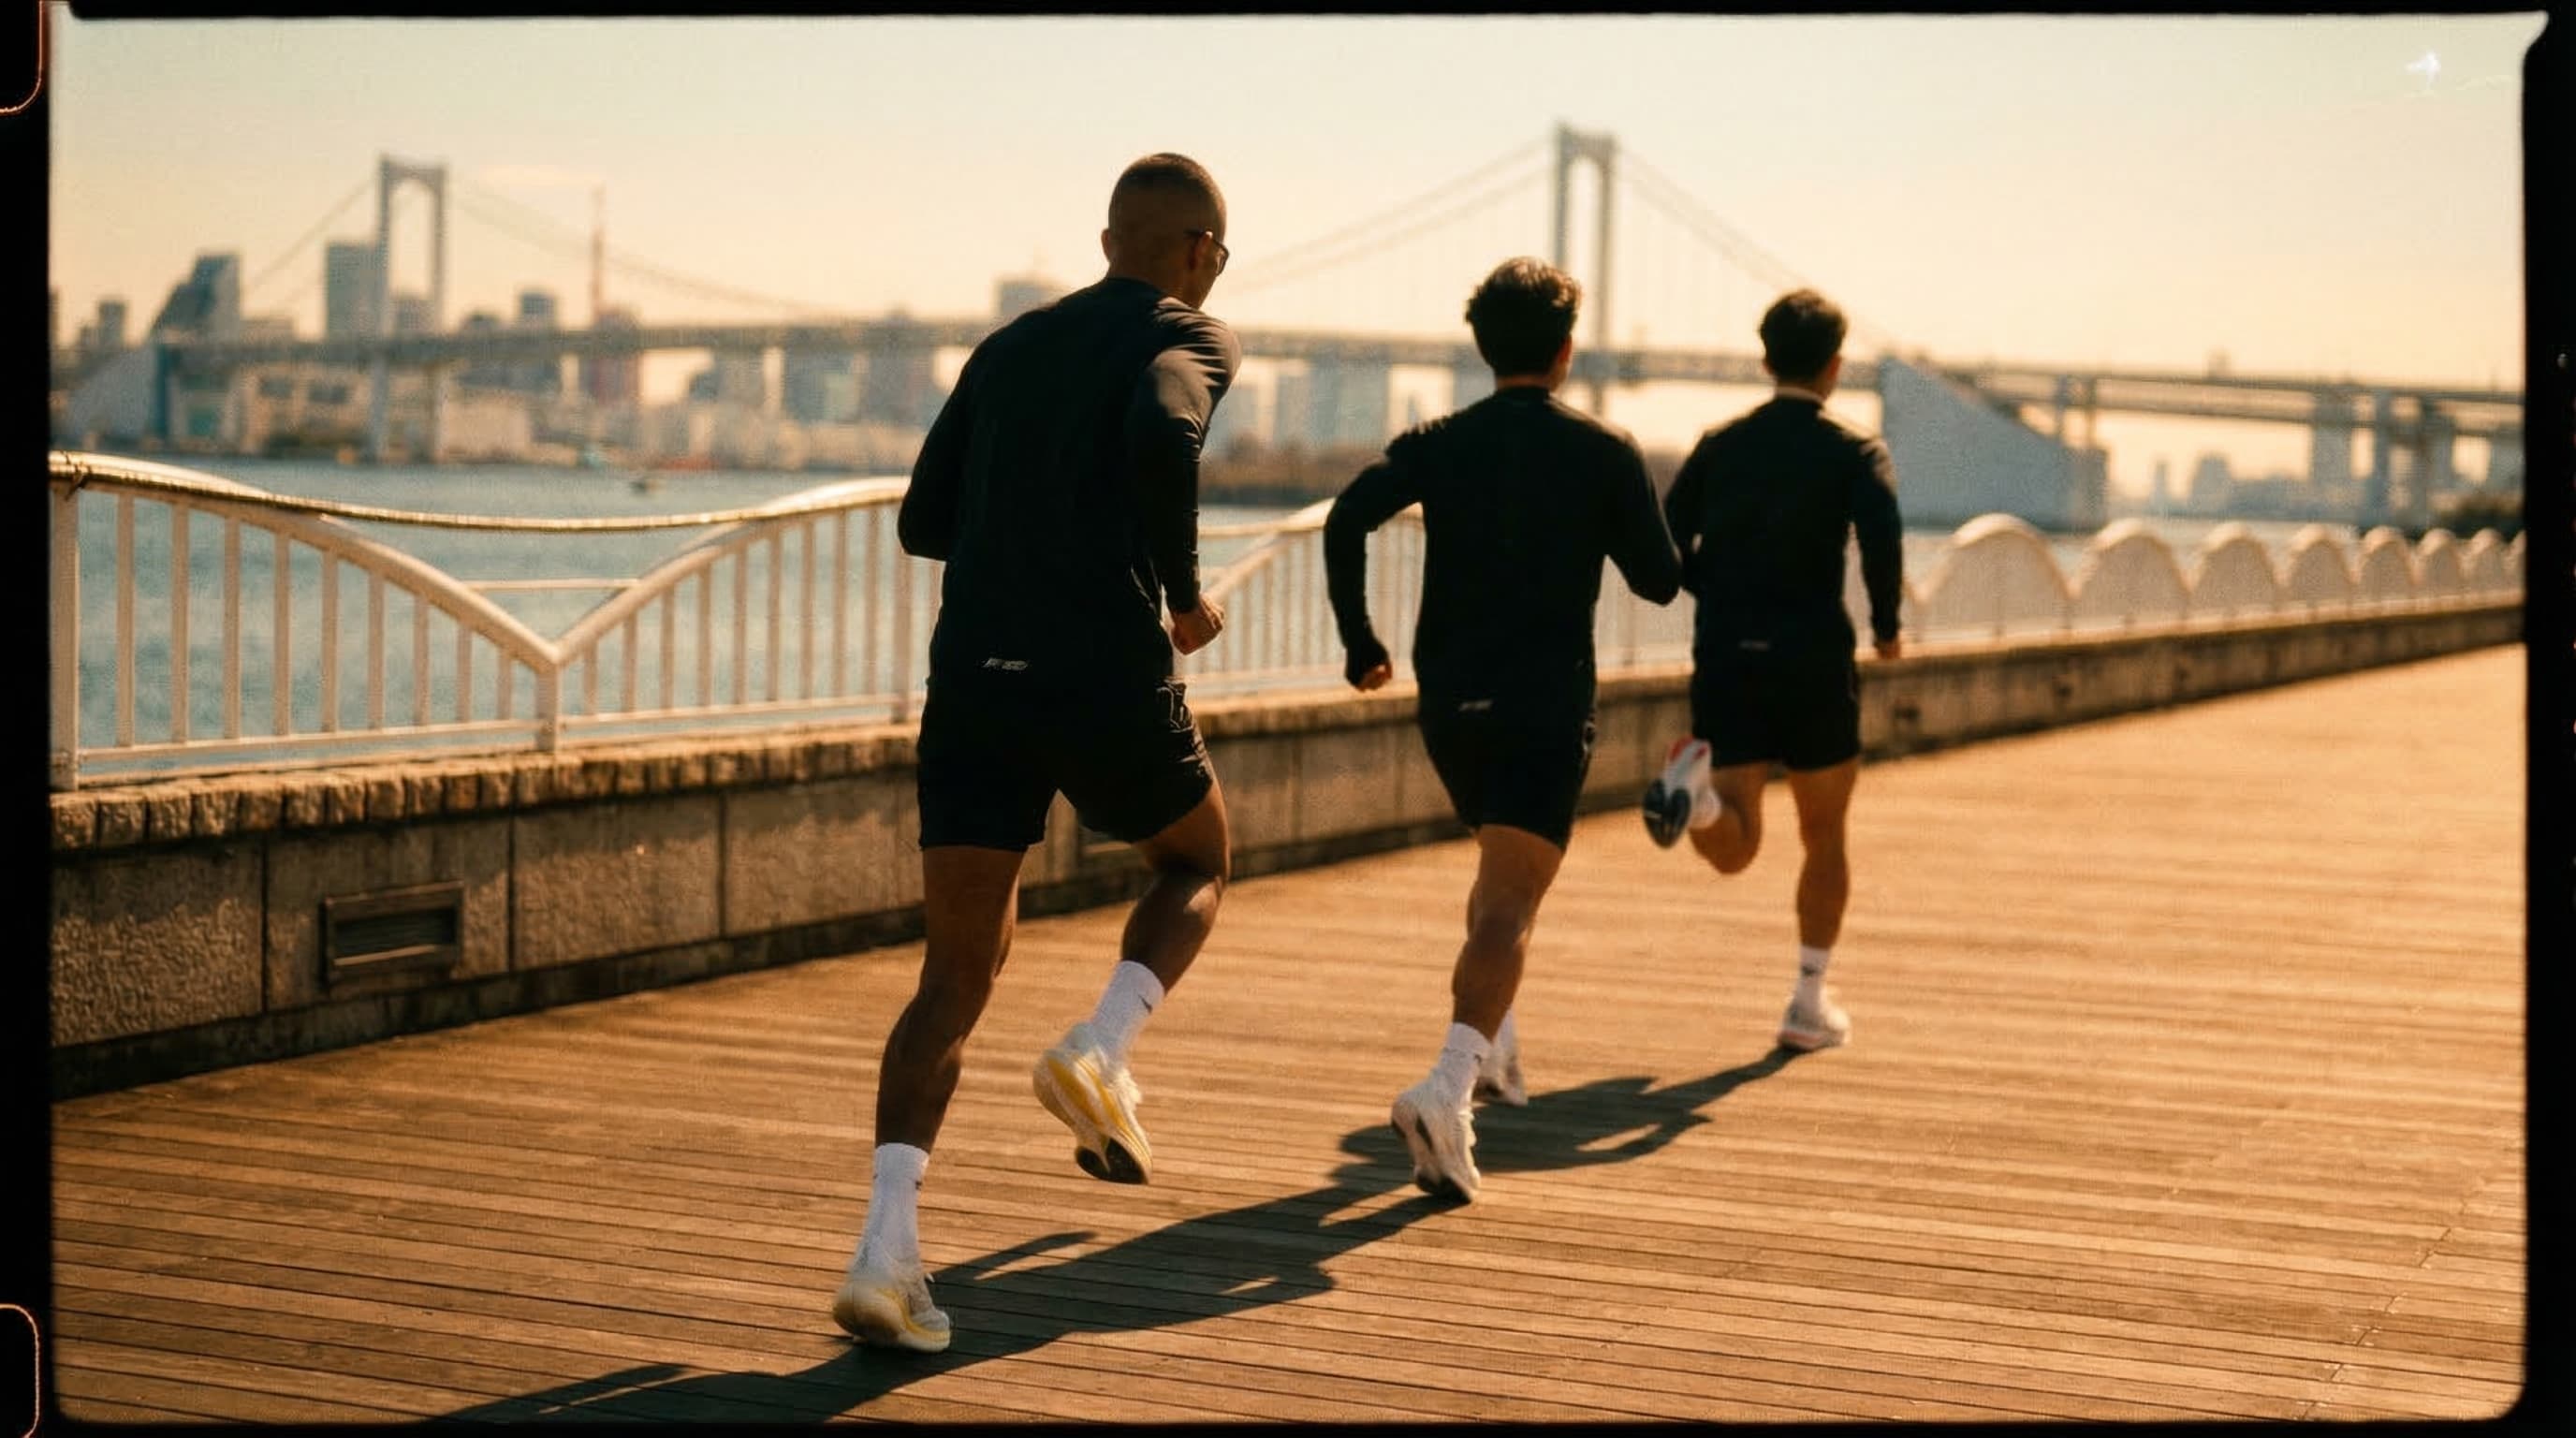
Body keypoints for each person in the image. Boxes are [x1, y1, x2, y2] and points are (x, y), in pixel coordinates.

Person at [832, 153, 1240, 1353]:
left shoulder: (1006, 348)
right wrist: (1183, 594)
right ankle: (1098, 1051)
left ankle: (884, 1256)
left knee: (952, 978)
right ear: (1198, 252)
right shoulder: (1195, 332)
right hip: (1103, 669)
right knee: (1198, 861)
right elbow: (1167, 432)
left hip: (977, 678)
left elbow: (922, 522)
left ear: (1107, 237)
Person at [1324, 257, 1683, 1204]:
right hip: (1543, 703)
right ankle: (1445, 1090)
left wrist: (1361, 643)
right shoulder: (1604, 450)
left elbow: (1345, 522)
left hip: (1449, 702)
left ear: (1484, 348)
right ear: (1566, 349)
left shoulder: (1438, 440)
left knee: (1497, 882)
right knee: (1508, 904)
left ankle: (1495, 1054)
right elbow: (1657, 580)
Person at [1641, 287, 1904, 1055]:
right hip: (1814, 658)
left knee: (1739, 841)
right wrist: (1887, 629)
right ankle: (1808, 1002)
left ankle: (1700, 808)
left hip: (1728, 653)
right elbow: (1883, 537)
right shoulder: (1855, 450)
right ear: (1835, 366)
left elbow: (1663, 539)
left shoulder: (1720, 444)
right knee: (1823, 833)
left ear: (1765, 360)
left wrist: (1707, 589)